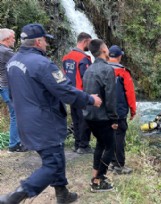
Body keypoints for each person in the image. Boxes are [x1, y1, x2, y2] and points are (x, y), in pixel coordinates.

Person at [0, 23, 102, 204]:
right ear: (38, 42)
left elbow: (12, 92)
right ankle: (14, 197)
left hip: (26, 120)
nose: (47, 44)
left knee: (56, 155)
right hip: (43, 122)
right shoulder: (42, 64)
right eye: (45, 40)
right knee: (53, 164)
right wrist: (90, 99)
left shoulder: (13, 61)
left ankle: (62, 194)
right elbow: (66, 91)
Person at [83, 39, 118, 192]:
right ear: (104, 51)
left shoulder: (88, 69)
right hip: (103, 116)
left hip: (89, 115)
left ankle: (94, 176)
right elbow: (110, 97)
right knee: (110, 147)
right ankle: (99, 180)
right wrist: (114, 118)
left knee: (100, 145)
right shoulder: (107, 69)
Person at [107, 45, 137, 174]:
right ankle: (119, 165)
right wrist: (133, 110)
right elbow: (130, 93)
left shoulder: (101, 69)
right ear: (119, 56)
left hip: (104, 110)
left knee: (109, 136)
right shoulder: (123, 72)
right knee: (119, 136)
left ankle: (110, 163)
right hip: (119, 111)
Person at [62, 32, 93, 154]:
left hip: (70, 92)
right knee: (85, 120)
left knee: (76, 119)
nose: (90, 47)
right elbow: (87, 78)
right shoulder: (83, 59)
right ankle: (83, 146)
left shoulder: (66, 57)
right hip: (81, 93)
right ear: (85, 41)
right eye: (90, 43)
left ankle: (77, 144)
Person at [0, 28, 26, 153]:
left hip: (3, 86)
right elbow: (22, 61)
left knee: (15, 114)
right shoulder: (5, 51)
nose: (14, 40)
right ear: (5, 39)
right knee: (16, 114)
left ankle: (17, 142)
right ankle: (14, 145)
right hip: (7, 87)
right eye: (12, 37)